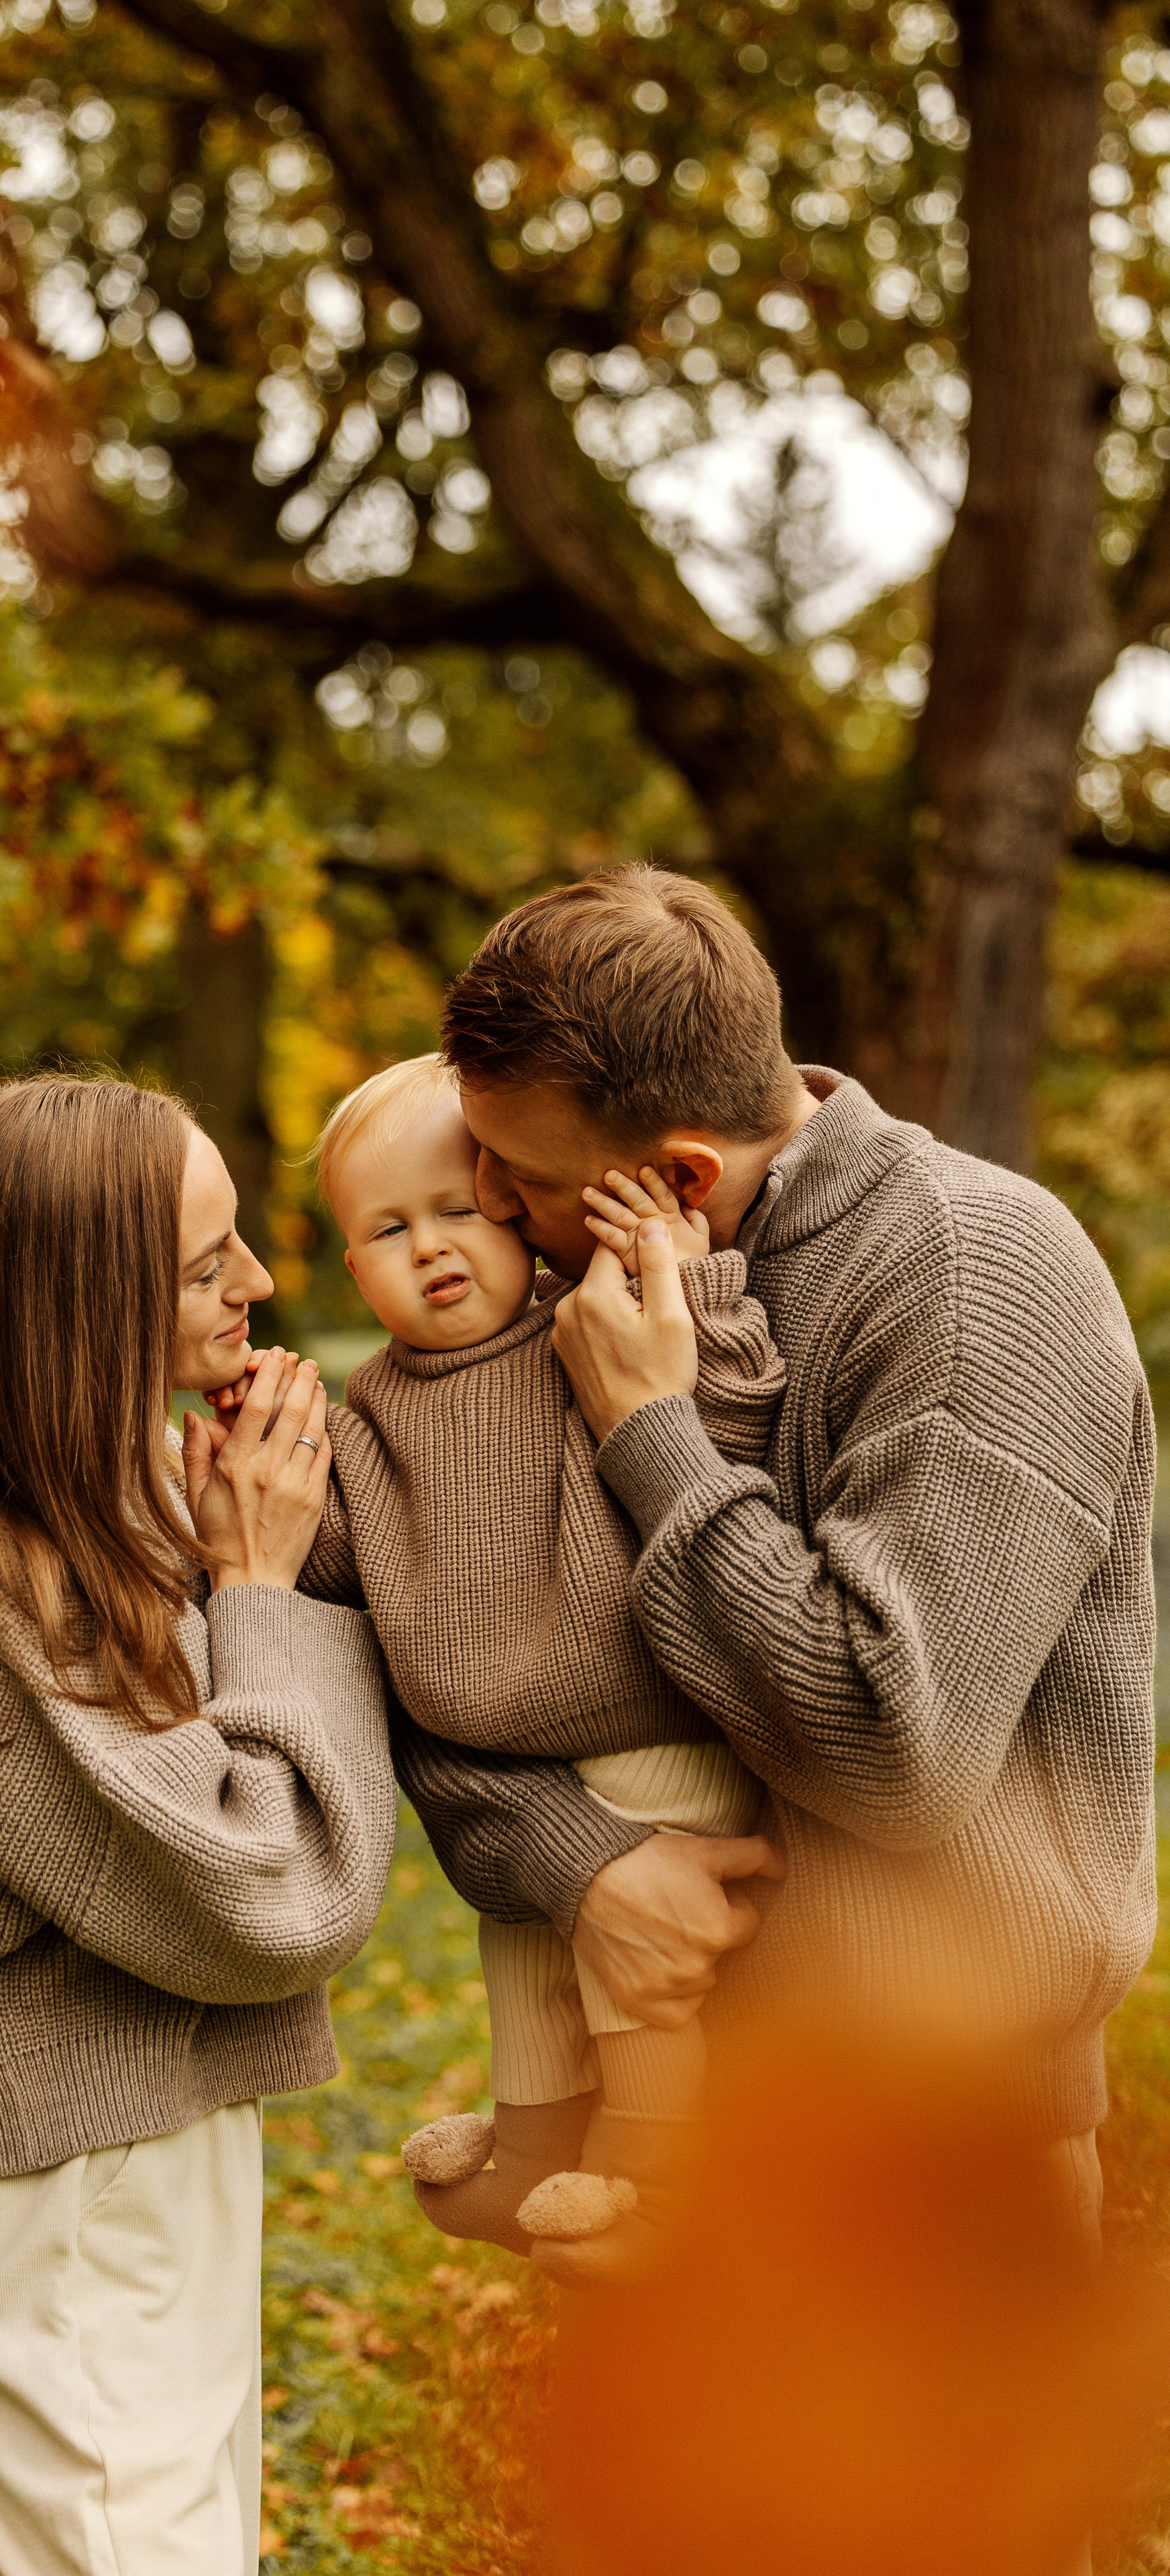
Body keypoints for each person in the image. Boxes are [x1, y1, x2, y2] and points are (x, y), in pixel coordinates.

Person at [393, 867, 1155, 2267]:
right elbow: (446, 1635)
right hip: (681, 2121)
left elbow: (893, 1748)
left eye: (525, 1176)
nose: (486, 1206)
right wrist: (579, 1863)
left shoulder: (969, 1276)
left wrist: (650, 1430)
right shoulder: (592, 1280)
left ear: (679, 1171)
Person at [0, 1073, 395, 2576]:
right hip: (68, 2185)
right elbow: (269, 1902)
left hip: (147, 2135)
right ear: (79, 1302)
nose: (259, 1283)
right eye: (205, 1264)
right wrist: (256, 1590)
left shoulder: (114, 1497)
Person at [283, 1052, 782, 2280]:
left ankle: (658, 2173)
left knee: (637, 1990)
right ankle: (535, 2145)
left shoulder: (584, 1329)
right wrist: (266, 1449)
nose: (432, 1248)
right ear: (352, 1267)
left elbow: (725, 1411)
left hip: (650, 1735)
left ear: (513, 1206)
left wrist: (691, 1278)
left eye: (457, 1209)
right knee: (527, 1952)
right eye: (389, 1230)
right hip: (520, 1774)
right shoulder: (366, 1419)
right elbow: (329, 1558)